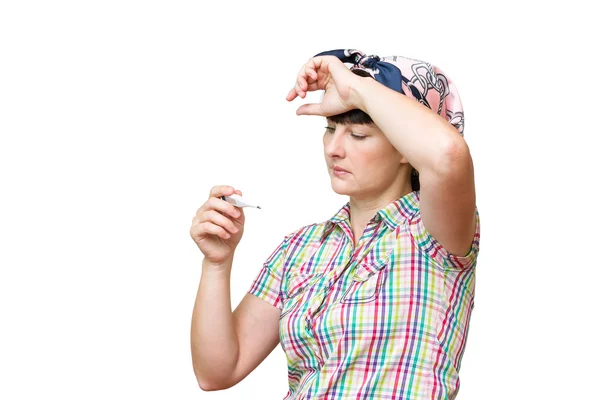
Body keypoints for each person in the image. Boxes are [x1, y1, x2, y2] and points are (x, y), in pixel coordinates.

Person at [190, 49, 481, 399]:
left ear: (406, 147)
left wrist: (354, 86)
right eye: (330, 129)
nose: (334, 149)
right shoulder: (300, 248)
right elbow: (217, 370)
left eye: (358, 135)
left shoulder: (434, 234)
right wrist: (217, 263)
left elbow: (448, 154)